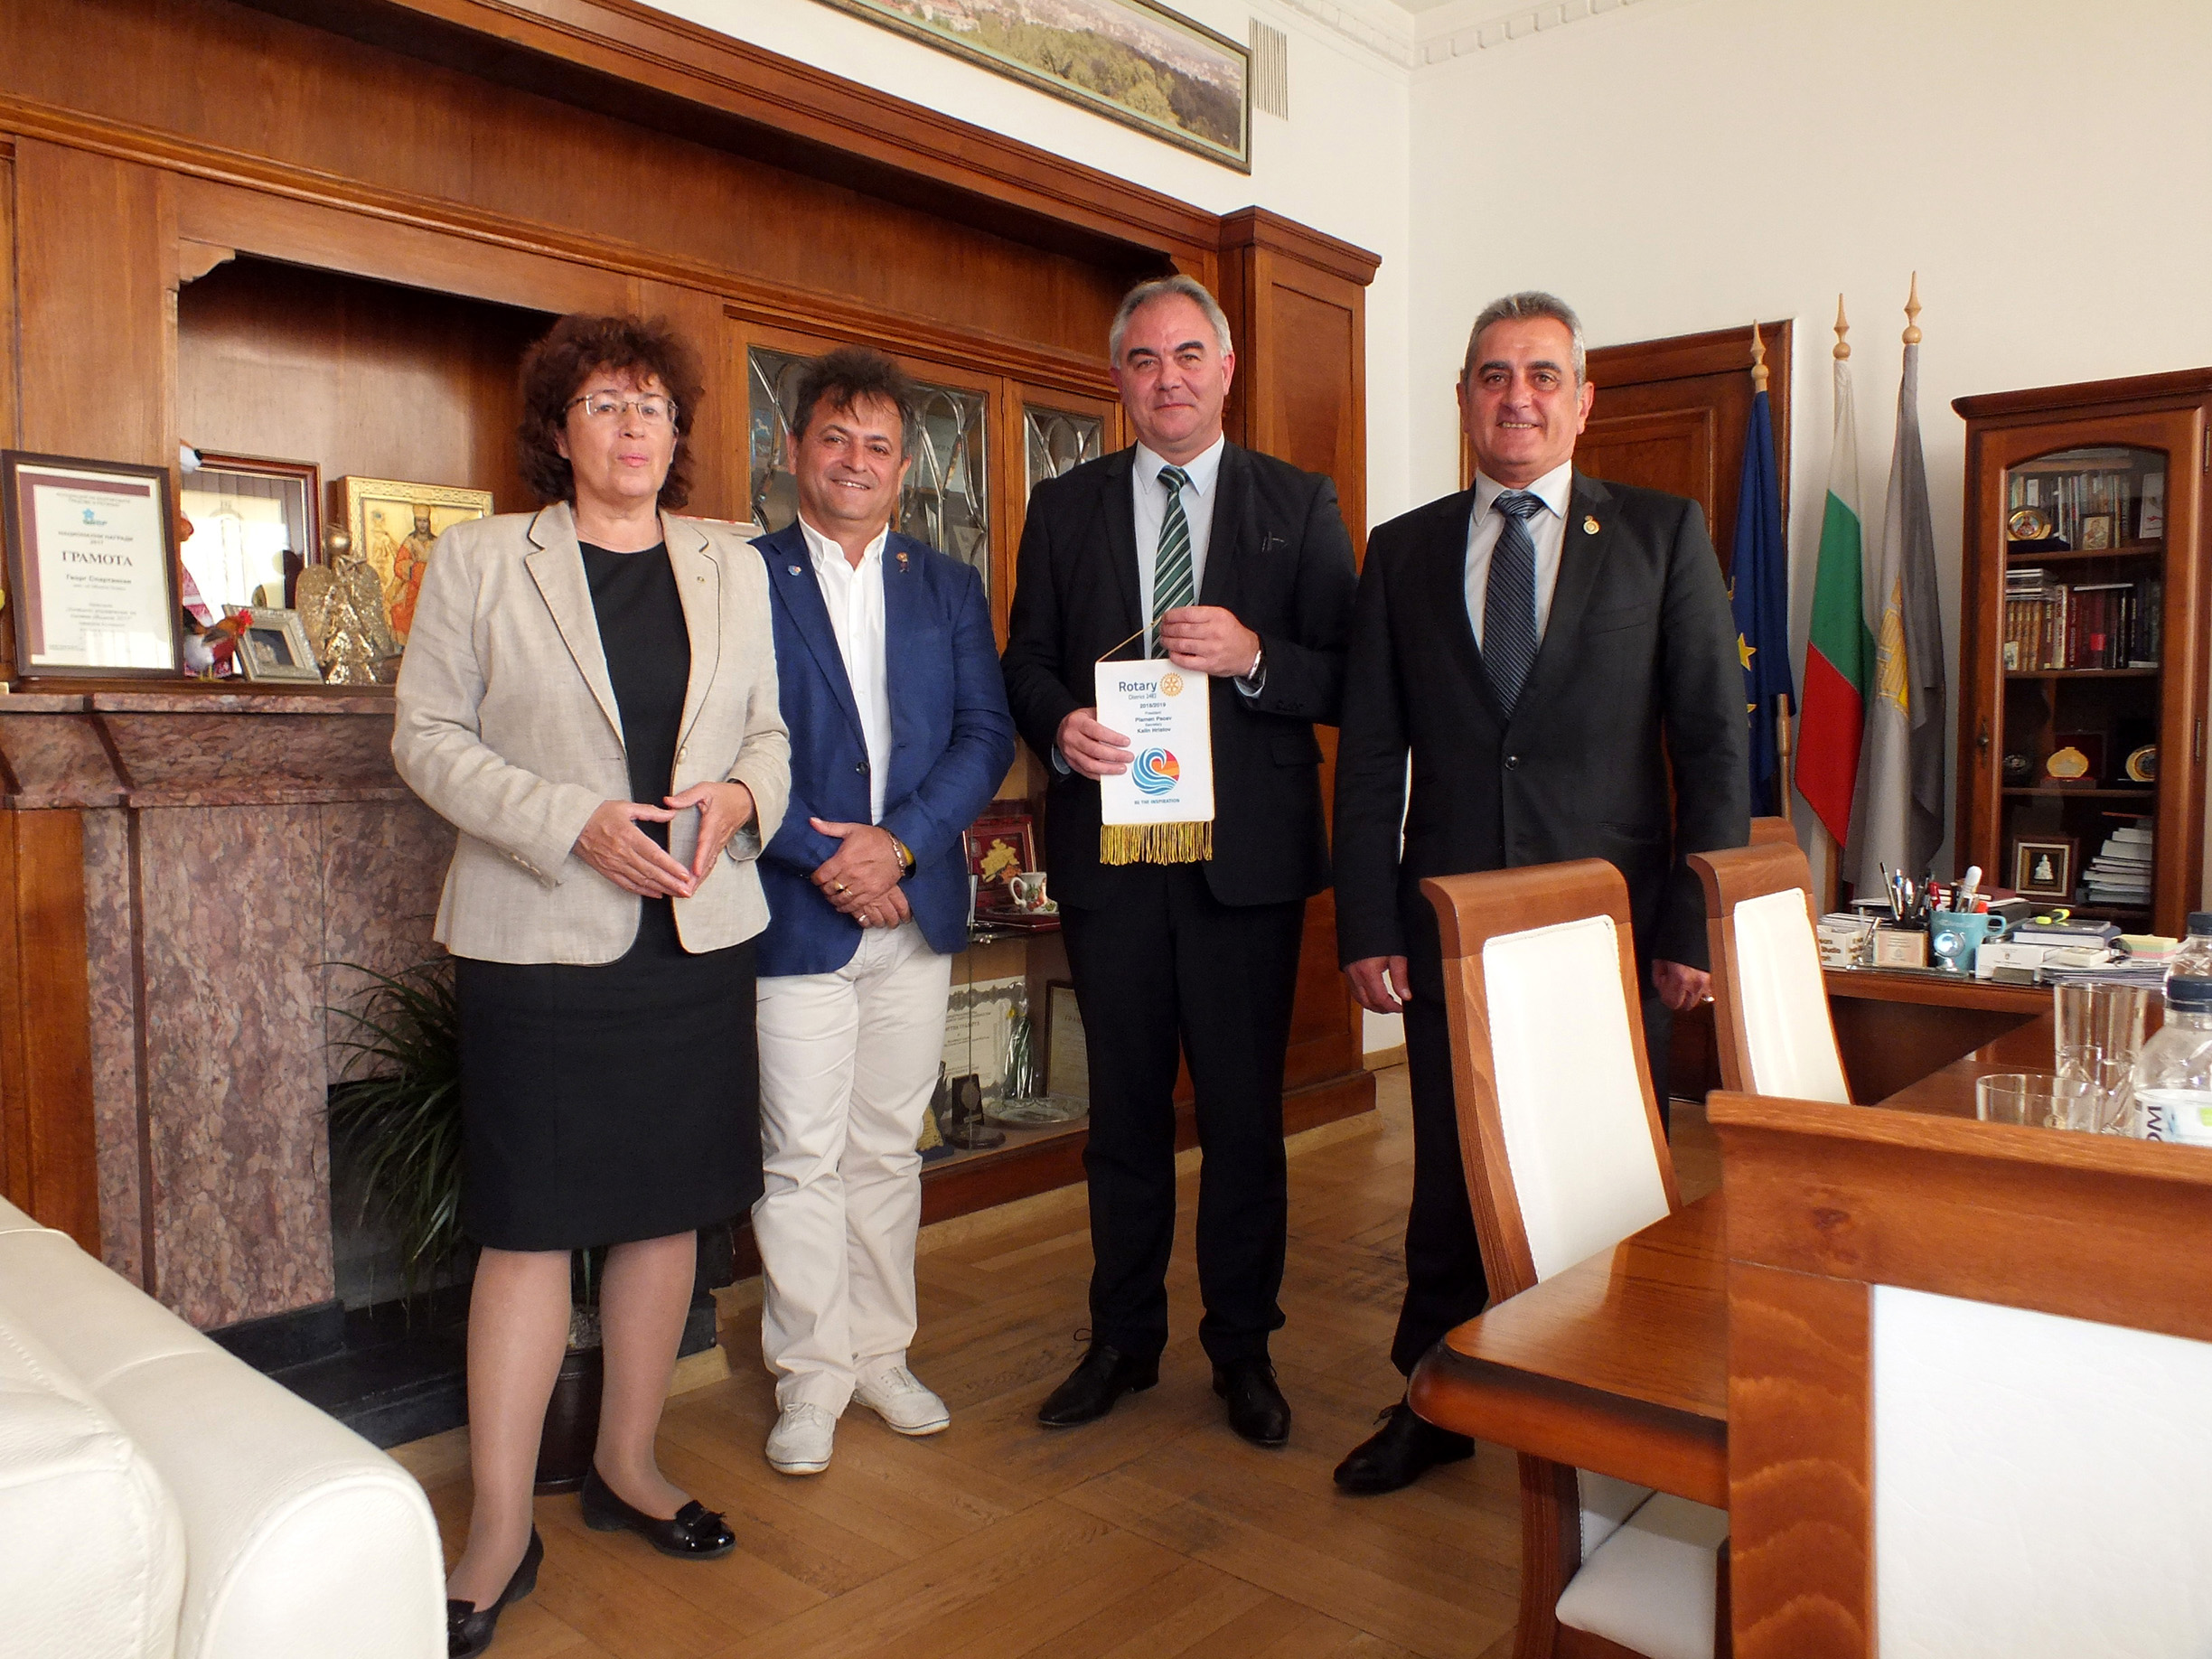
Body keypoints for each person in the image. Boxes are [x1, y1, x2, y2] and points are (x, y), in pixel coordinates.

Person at [392, 314, 790, 1657]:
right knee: (528, 1230)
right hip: (541, 937)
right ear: (559, 429)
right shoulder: (483, 559)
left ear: (678, 436)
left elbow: (770, 735)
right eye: (607, 404)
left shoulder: (733, 562)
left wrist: (740, 798)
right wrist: (573, 821)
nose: (634, 427)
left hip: (693, 933)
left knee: (666, 1214)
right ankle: (501, 1528)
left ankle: (627, 1463)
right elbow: (426, 738)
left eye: (654, 408)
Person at [1330, 290, 1748, 1495]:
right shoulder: (1403, 551)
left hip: (1610, 931)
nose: (1518, 398)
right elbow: (1371, 757)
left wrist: (1695, 922)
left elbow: (1713, 742)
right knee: (1450, 1171)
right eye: (1494, 376)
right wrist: (1368, 918)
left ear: (1583, 401)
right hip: (1446, 925)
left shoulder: (1662, 534)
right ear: (1464, 398)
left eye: (1543, 375)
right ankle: (1436, 1393)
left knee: (1608, 1167)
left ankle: (1616, 1402)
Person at [1001, 275, 1357, 1448]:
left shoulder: (1296, 502)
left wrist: (1256, 657)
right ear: (1119, 377)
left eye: (1189, 354)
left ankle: (1243, 1347)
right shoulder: (1064, 507)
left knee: (1245, 1119)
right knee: (1122, 1118)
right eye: (1145, 359)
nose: (1169, 379)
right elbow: (1025, 660)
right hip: (1112, 858)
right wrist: (1060, 725)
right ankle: (1122, 1341)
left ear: (1227, 368)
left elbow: (1351, 672)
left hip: (1242, 868)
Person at [750, 346, 1015, 1476]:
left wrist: (897, 845)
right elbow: (718, 746)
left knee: (887, 1150)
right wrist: (831, 856)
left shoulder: (946, 584)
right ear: (794, 450)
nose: (856, 461)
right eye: (835, 438)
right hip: (795, 910)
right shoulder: (741, 577)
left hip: (915, 905)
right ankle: (810, 1376)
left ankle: (880, 1354)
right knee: (800, 1155)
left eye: (878, 445)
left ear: (904, 467)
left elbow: (985, 736)